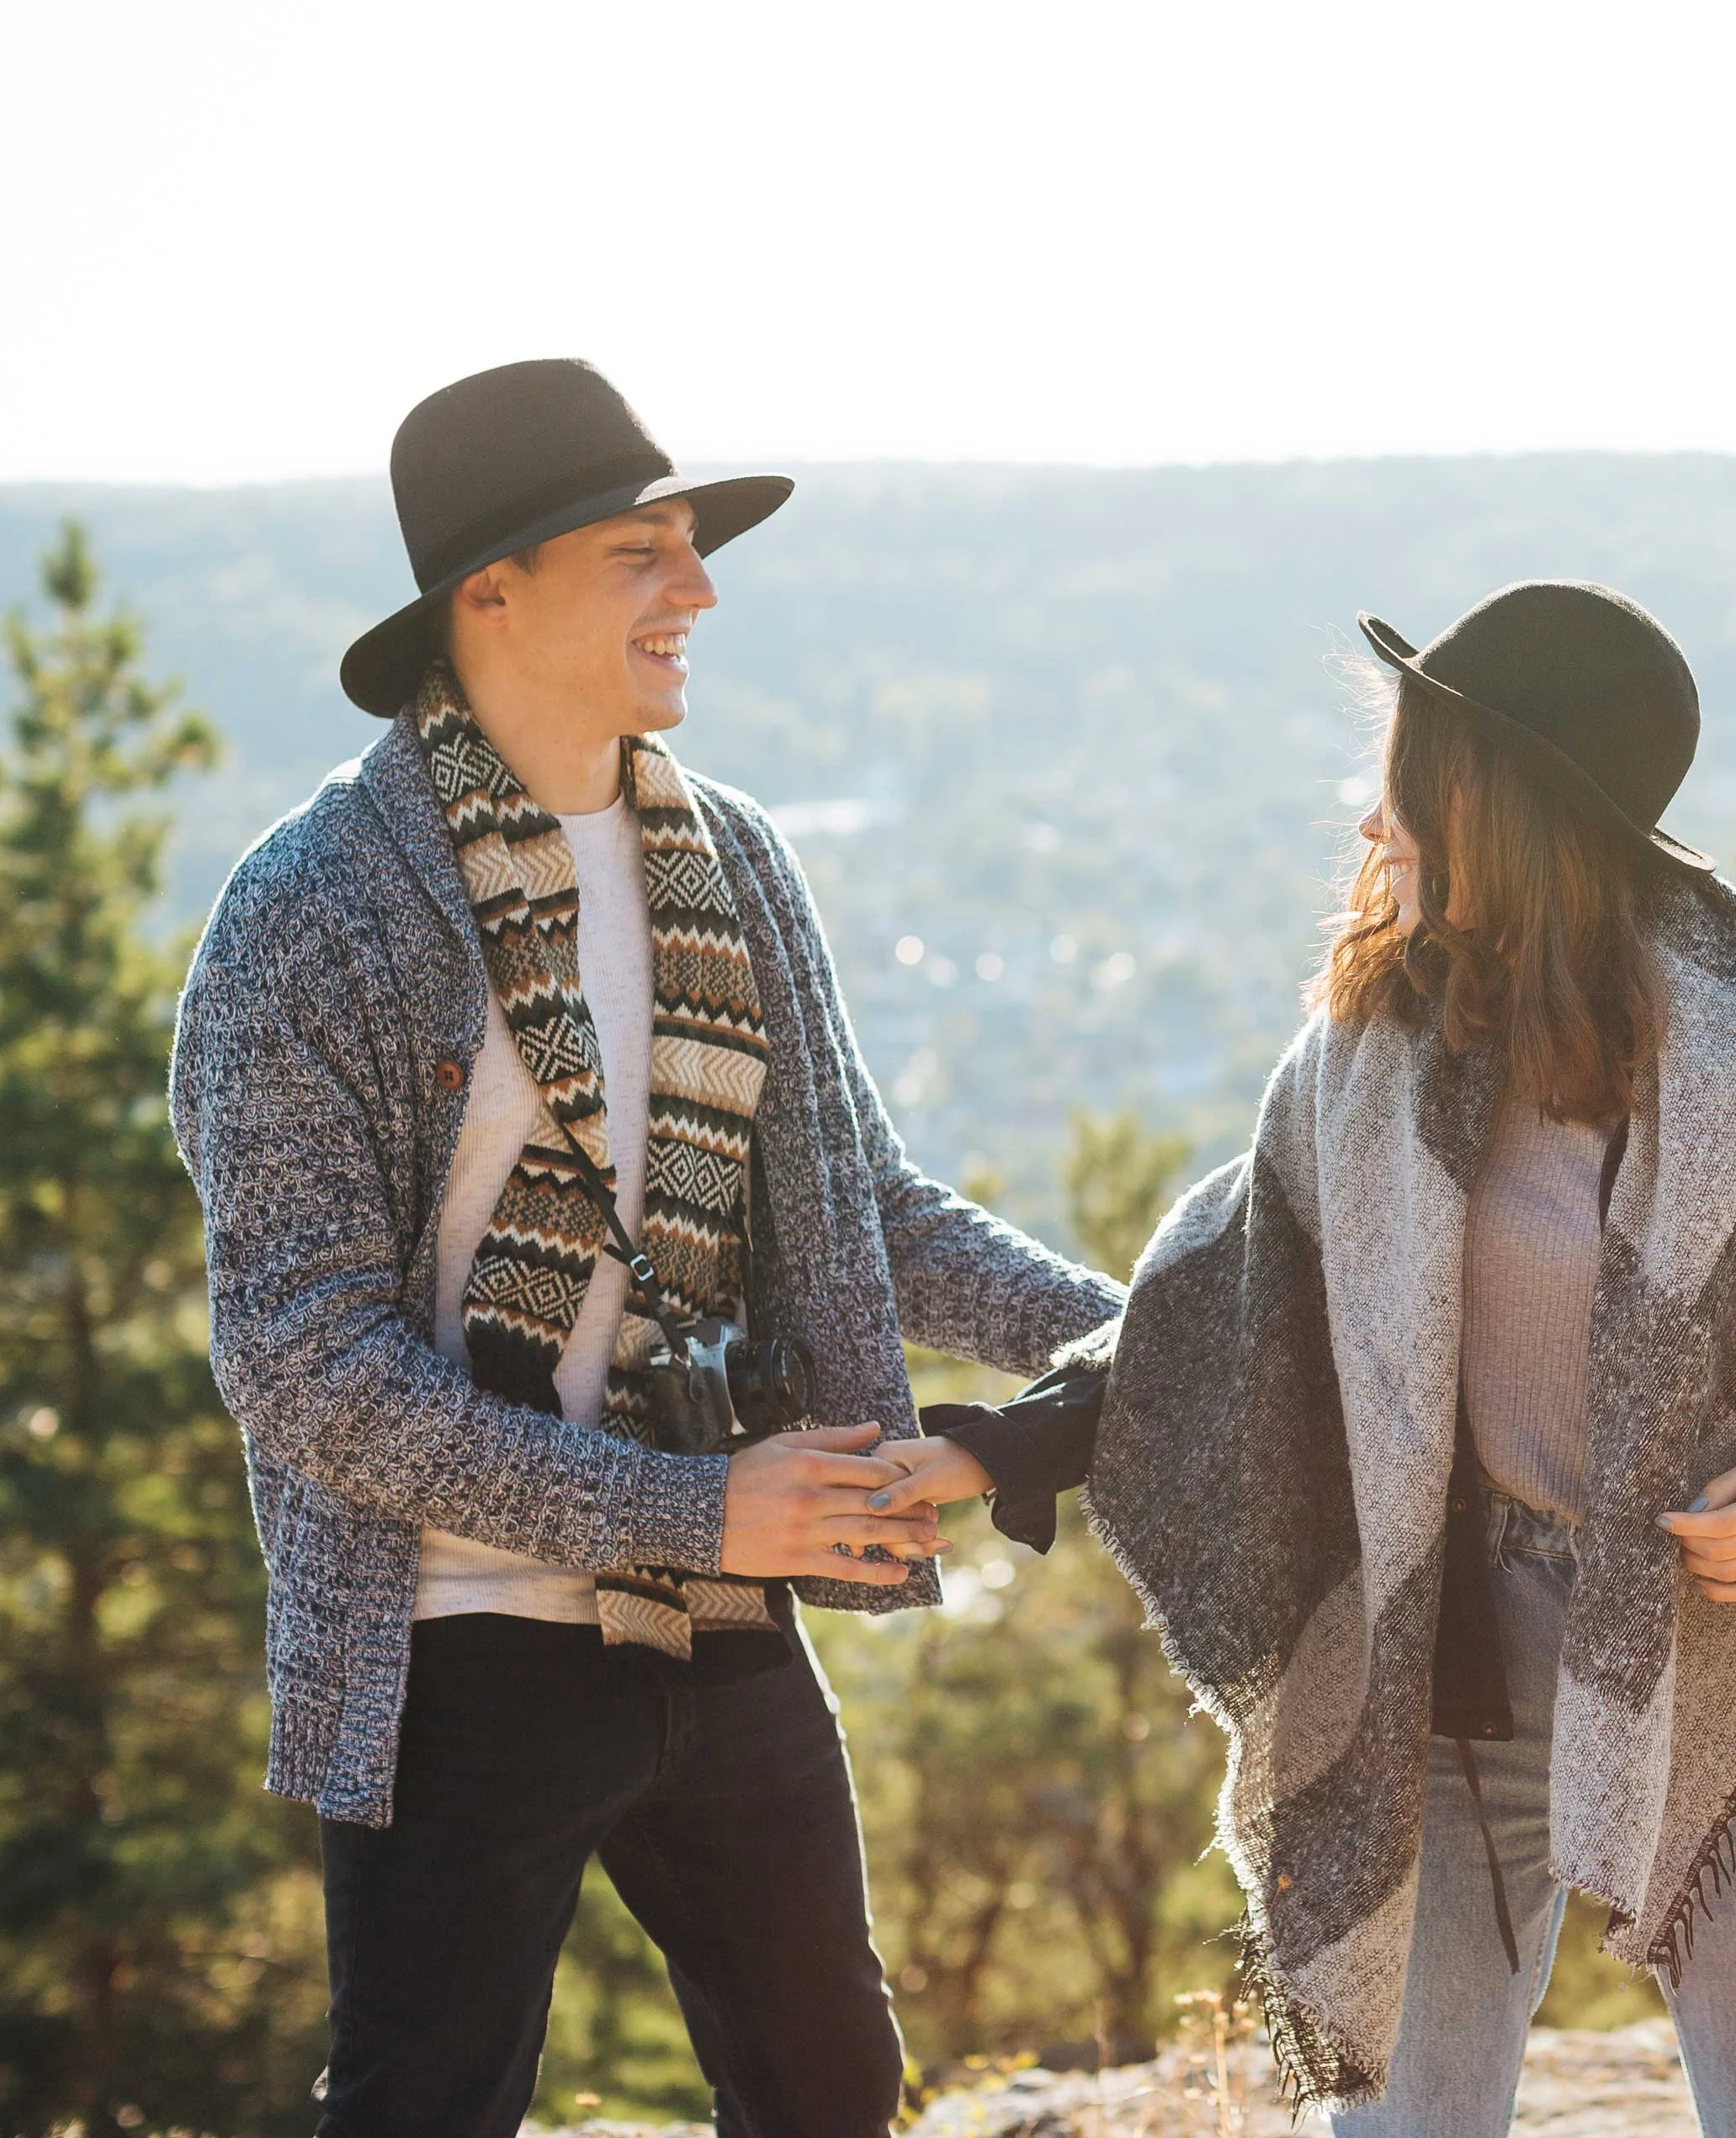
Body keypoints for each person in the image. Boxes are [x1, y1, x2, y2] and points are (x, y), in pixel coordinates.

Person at [877, 580, 1736, 2135]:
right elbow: (1216, 1305)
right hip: (1443, 1655)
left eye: (1402, 783)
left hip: (1710, 1662)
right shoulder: (1372, 1048)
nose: (1369, 826)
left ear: (1503, 801)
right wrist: (997, 1447)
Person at [169, 359, 1121, 2138]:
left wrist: (1143, 1329)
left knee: (832, 2086)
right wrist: (693, 1512)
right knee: (422, 2104)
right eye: (641, 552)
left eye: (691, 546)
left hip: (725, 1615)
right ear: (491, 592)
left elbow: (864, 1209)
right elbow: (299, 1362)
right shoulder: (309, 911)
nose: (696, 589)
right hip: (455, 1643)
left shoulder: (730, 858)